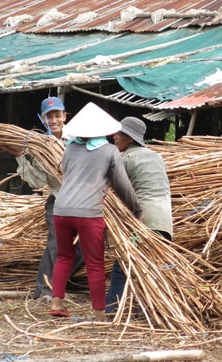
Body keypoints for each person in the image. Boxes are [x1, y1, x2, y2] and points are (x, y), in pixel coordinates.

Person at [50, 102, 142, 321]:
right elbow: (122, 185)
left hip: (61, 209)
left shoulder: (70, 147)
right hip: (89, 212)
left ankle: (56, 303)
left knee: (64, 256)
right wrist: (136, 208)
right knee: (95, 263)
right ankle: (100, 313)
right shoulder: (109, 150)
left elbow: (67, 173)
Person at [10, 96, 84, 301]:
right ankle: (44, 290)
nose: (53, 120)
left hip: (82, 201)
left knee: (85, 247)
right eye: (48, 116)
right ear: (42, 119)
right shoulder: (40, 145)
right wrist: (20, 156)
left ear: (65, 116)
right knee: (58, 243)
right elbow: (36, 182)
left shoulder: (79, 139)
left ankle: (57, 284)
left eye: (57, 115)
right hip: (58, 200)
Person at [105, 116, 173, 313]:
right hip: (164, 222)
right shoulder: (156, 156)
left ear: (131, 139)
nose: (115, 137)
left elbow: (108, 187)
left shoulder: (126, 158)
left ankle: (111, 308)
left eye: (119, 134)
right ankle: (153, 310)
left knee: (123, 265)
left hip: (143, 222)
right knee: (151, 267)